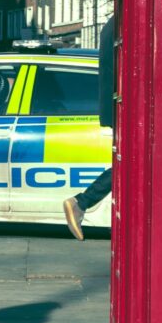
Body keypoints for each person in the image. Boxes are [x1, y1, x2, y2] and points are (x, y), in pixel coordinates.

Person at [63, 14, 116, 240]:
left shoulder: (114, 25)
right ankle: (82, 201)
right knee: (136, 162)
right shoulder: (132, 21)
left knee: (132, 164)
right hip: (133, 110)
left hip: (116, 107)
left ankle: (82, 201)